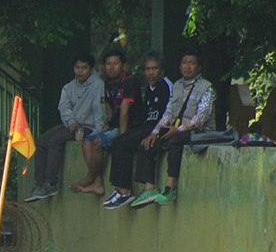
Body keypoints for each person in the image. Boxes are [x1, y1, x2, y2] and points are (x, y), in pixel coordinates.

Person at [130, 49, 215, 208]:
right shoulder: (176, 86)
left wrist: (178, 130)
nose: (187, 67)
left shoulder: (206, 87)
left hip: (199, 132)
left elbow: (200, 119)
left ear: (199, 67)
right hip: (176, 128)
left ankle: (170, 187)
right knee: (147, 143)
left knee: (175, 140)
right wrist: (154, 132)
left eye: (192, 63)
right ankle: (150, 188)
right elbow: (168, 112)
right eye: (184, 63)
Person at [24, 54, 106, 201]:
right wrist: (70, 121)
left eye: (84, 68)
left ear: (91, 69)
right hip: (71, 124)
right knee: (40, 141)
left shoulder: (98, 85)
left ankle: (50, 183)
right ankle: (40, 184)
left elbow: (99, 109)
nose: (80, 71)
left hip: (88, 127)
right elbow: (64, 107)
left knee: (55, 141)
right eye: (77, 68)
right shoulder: (68, 87)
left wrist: (97, 132)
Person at [102, 51, 171, 209]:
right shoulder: (149, 88)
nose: (150, 72)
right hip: (147, 126)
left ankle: (125, 191)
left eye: (154, 69)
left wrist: (156, 132)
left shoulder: (167, 86)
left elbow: (170, 113)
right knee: (118, 140)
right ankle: (119, 190)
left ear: (162, 70)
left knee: (124, 143)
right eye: (147, 69)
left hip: (160, 129)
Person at [73, 49, 135, 195]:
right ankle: (97, 183)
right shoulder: (107, 82)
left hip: (131, 126)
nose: (111, 67)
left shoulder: (130, 81)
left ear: (123, 65)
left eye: (115, 64)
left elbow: (125, 111)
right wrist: (109, 122)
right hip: (114, 125)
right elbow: (107, 104)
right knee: (87, 141)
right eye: (108, 64)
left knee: (98, 141)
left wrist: (122, 136)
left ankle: (89, 178)